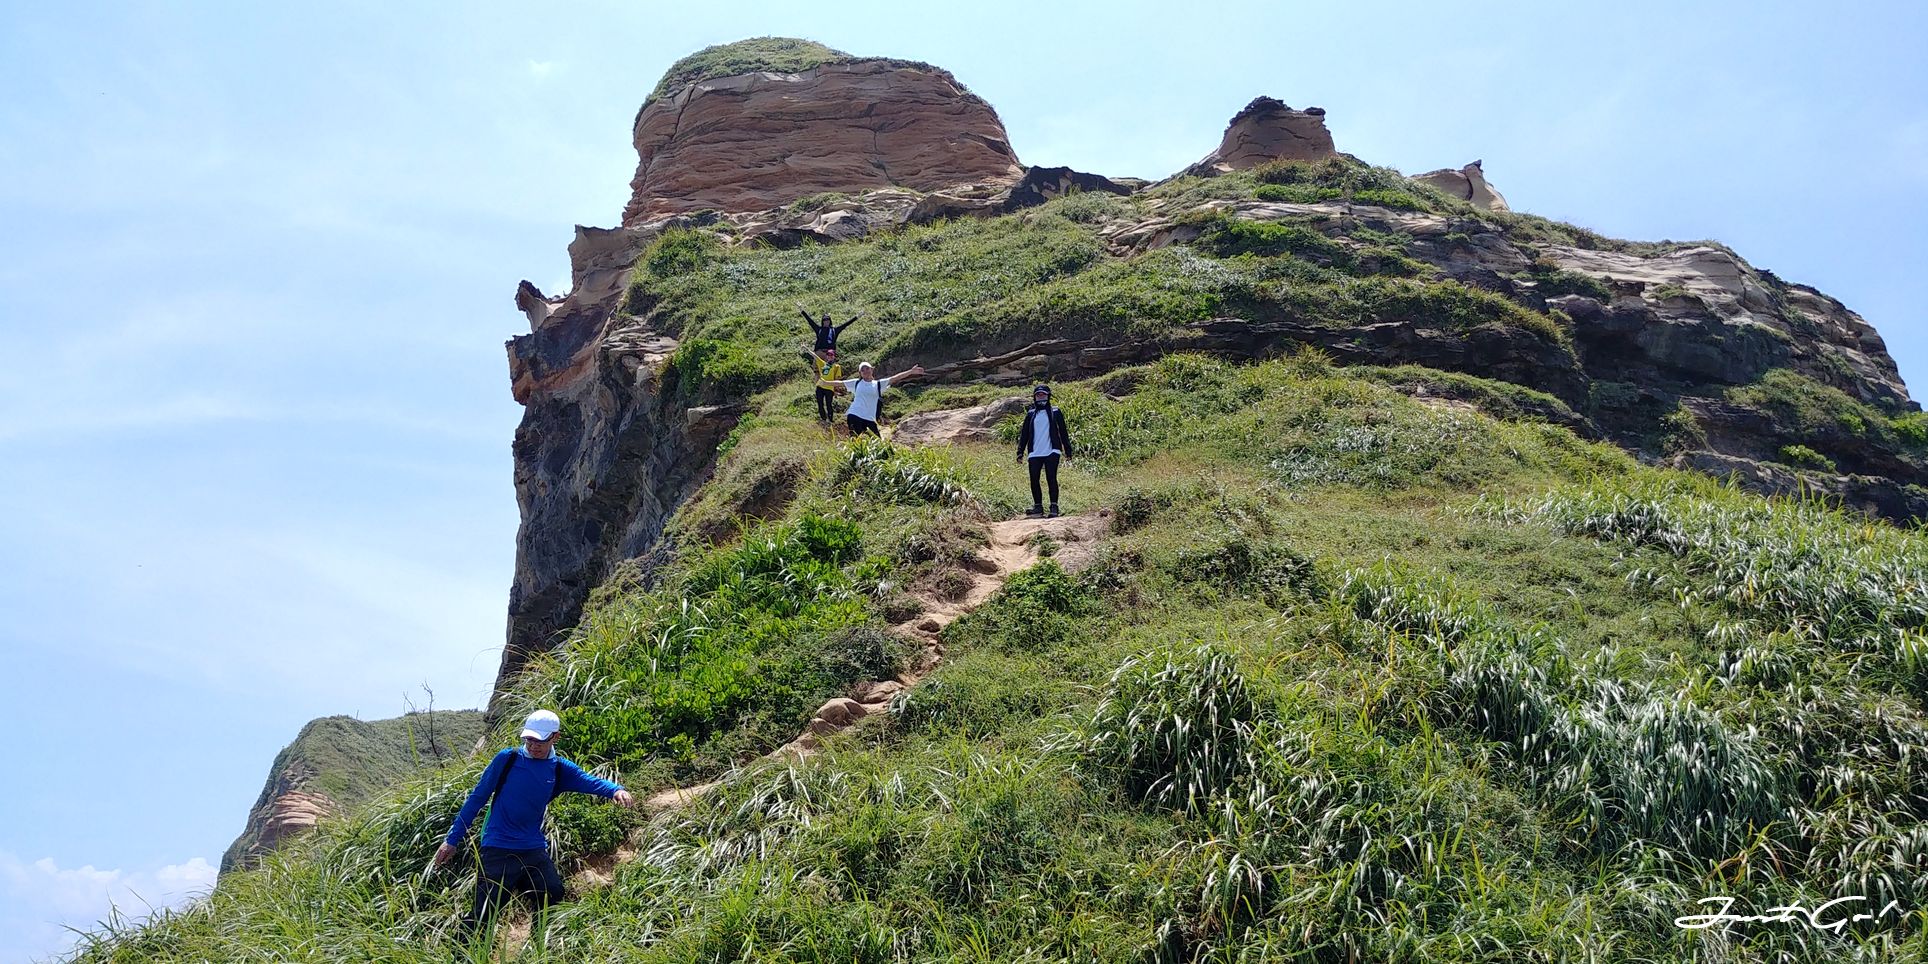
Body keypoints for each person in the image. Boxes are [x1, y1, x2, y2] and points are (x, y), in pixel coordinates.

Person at [433, 709, 636, 944]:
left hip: (532, 849)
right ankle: (462, 955)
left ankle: (537, 947)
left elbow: (590, 781)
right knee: (484, 913)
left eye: (540, 741)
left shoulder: (559, 769)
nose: (533, 746)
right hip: (497, 847)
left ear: (555, 738)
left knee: (552, 894)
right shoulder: (507, 760)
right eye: (529, 739)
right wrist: (452, 840)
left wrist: (616, 790)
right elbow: (477, 798)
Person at [1015, 383, 1073, 517]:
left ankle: (1054, 507)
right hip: (1035, 451)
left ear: (1048, 396)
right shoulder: (1030, 414)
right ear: (1034, 397)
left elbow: (1063, 432)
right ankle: (1038, 507)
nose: (1040, 397)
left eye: (1043, 394)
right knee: (1034, 479)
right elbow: (1024, 434)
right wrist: (1020, 452)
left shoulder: (1056, 412)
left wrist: (1067, 450)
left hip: (1052, 450)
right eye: (1038, 395)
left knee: (1051, 478)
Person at [838, 360, 926, 437]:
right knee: (855, 440)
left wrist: (911, 371)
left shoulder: (878, 384)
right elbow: (839, 383)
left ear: (872, 370)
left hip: (869, 418)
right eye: (862, 370)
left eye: (867, 368)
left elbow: (895, 378)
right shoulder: (856, 383)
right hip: (855, 415)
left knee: (877, 442)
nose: (865, 371)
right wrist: (824, 382)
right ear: (860, 373)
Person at [802, 345, 844, 423]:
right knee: (820, 403)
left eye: (831, 355)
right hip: (820, 386)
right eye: (828, 355)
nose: (830, 356)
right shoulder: (823, 363)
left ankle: (830, 420)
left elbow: (837, 378)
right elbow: (814, 355)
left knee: (829, 405)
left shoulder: (836, 366)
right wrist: (806, 348)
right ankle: (823, 419)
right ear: (827, 356)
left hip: (829, 388)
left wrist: (836, 389)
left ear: (834, 356)